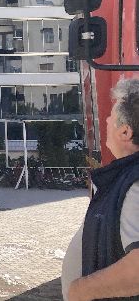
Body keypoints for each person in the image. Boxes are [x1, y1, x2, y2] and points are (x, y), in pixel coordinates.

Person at [62, 78, 139, 301]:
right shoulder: (125, 178)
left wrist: (80, 290)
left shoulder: (134, 185)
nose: (105, 120)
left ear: (125, 132)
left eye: (111, 116)